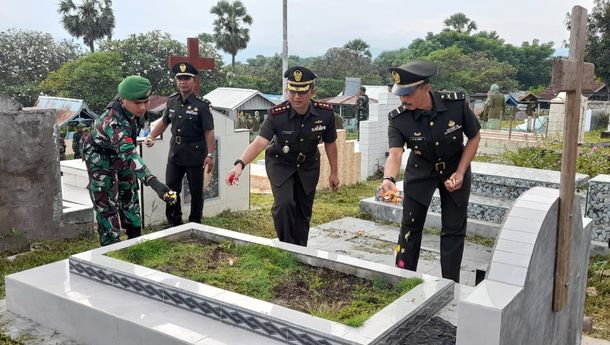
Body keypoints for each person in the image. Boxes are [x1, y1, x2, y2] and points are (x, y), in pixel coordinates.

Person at [379, 60, 481, 283]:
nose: (403, 99)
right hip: (420, 172)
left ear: (426, 88)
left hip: (455, 169)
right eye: (400, 94)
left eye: (408, 94)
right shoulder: (399, 118)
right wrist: (389, 178)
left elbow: (474, 136)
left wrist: (461, 172)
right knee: (410, 227)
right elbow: (395, 154)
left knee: (453, 229)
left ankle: (450, 283)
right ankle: (403, 279)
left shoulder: (455, 104)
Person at [225, 66, 340, 247]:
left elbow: (330, 143)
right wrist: (240, 164)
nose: (296, 97)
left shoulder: (325, 114)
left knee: (303, 210)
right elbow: (260, 143)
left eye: (302, 92)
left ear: (312, 92)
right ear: (287, 91)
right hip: (281, 163)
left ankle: (301, 248)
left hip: (309, 165)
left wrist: (334, 172)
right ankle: (287, 247)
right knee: (284, 204)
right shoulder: (276, 115)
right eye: (292, 91)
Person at [82, 75, 176, 246]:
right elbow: (129, 153)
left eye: (145, 101)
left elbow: (128, 148)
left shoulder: (136, 111)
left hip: (122, 151)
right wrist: (154, 183)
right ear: (123, 99)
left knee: (129, 191)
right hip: (99, 156)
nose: (142, 107)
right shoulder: (112, 121)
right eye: (137, 103)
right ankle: (111, 245)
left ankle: (134, 239)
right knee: (105, 200)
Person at [144, 62, 215, 226]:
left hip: (195, 155)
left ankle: (195, 222)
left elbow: (209, 132)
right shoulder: (172, 101)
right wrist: (152, 136)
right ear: (176, 81)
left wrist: (210, 155)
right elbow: (164, 122)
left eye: (187, 78)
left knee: (196, 192)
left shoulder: (202, 105)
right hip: (175, 154)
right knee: (171, 190)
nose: (183, 82)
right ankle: (174, 222)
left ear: (194, 81)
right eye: (180, 78)